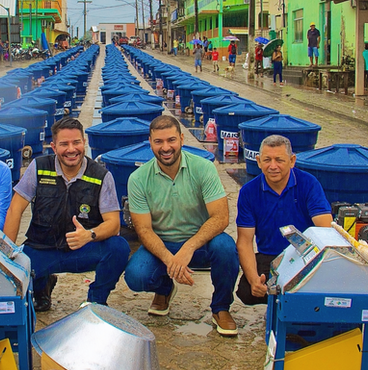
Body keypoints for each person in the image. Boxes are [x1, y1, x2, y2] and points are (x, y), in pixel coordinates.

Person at [123, 115, 239, 336]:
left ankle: (221, 308)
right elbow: (144, 229)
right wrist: (170, 259)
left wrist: (189, 247)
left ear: (182, 139)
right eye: (159, 142)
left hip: (201, 244)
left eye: (171, 140)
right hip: (162, 246)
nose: (166, 147)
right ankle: (164, 290)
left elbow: (221, 217)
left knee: (226, 248)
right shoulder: (138, 179)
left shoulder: (203, 168)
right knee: (136, 276)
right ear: (150, 142)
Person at [3, 117, 129, 310]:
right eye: (64, 144)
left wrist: (89, 235)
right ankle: (42, 288)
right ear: (54, 147)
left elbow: (113, 223)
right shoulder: (39, 167)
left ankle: (96, 300)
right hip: (42, 247)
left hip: (82, 250)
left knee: (119, 248)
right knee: (16, 275)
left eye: (76, 142)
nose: (71, 149)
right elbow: (15, 209)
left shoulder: (101, 176)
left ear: (84, 143)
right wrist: (7, 254)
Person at [235, 135, 332, 306]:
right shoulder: (249, 192)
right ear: (258, 161)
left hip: (304, 256)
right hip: (271, 257)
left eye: (279, 160)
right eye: (267, 160)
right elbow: (244, 241)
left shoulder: (309, 184)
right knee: (247, 291)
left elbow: (325, 229)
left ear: (292, 160)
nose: (273, 166)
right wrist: (254, 280)